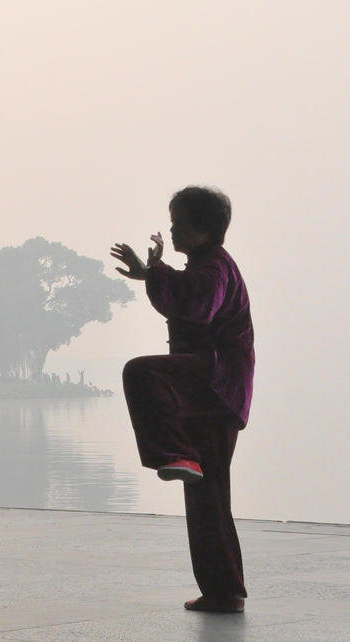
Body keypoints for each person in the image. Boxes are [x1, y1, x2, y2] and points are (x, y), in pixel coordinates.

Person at [111, 186, 254, 614]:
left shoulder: (216, 269)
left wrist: (155, 274)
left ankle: (176, 452)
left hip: (215, 382)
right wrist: (151, 273)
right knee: (207, 495)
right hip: (211, 391)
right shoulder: (204, 266)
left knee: (142, 371)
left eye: (178, 222)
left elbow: (199, 305)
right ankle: (223, 592)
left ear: (202, 228)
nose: (171, 229)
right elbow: (185, 292)